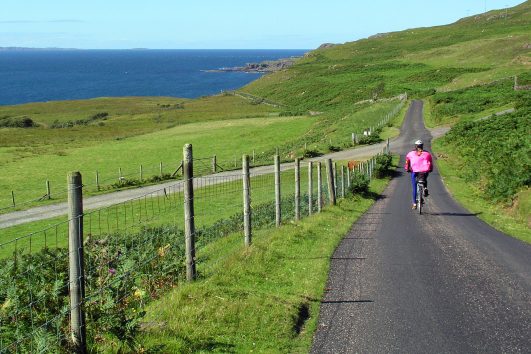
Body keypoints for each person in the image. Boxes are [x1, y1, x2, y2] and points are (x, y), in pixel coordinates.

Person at [405, 139, 433, 209]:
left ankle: (414, 204)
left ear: (415, 146)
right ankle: (425, 187)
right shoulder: (427, 154)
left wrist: (407, 169)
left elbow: (407, 162)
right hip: (424, 171)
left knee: (414, 187)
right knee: (425, 178)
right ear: (422, 146)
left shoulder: (410, 153)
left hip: (414, 172)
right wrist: (430, 169)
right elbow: (430, 163)